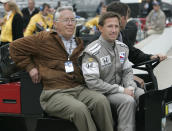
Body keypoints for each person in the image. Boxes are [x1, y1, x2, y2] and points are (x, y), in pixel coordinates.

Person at [9, 6, 114, 131]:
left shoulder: (80, 43)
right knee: (79, 109)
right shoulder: (44, 38)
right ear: (55, 24)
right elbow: (14, 47)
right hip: (54, 93)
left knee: (101, 101)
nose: (70, 24)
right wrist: (30, 67)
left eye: (73, 20)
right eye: (66, 20)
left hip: (78, 88)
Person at [80, 11, 145, 131]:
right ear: (100, 28)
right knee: (127, 101)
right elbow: (93, 83)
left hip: (121, 89)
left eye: (116, 26)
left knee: (142, 95)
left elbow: (127, 71)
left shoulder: (123, 48)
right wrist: (122, 90)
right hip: (101, 93)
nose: (114, 30)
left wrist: (130, 86)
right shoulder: (91, 52)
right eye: (110, 26)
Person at [106, 1, 167, 87]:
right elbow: (108, 69)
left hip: (120, 77)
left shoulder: (121, 35)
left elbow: (133, 54)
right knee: (139, 84)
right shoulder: (104, 39)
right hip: (109, 82)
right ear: (123, 18)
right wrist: (131, 77)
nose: (127, 20)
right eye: (127, 17)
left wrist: (150, 57)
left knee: (149, 79)